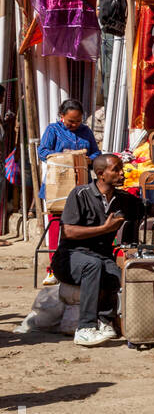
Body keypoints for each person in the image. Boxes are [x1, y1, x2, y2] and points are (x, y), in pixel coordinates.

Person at [52, 154, 154, 347]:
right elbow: (67, 232)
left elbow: (147, 207)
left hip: (99, 257)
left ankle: (104, 321)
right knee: (94, 265)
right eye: (116, 169)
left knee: (116, 273)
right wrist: (104, 229)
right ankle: (85, 328)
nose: (122, 173)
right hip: (70, 257)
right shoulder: (80, 194)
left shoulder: (122, 199)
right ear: (100, 174)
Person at [37, 99, 101, 285]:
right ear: (61, 116)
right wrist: (62, 157)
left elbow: (96, 153)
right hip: (58, 186)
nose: (74, 125)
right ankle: (54, 269)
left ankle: (78, 267)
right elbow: (42, 151)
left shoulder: (86, 132)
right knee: (57, 227)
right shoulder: (53, 130)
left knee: (80, 226)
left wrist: (88, 158)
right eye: (71, 121)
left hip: (81, 186)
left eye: (78, 121)